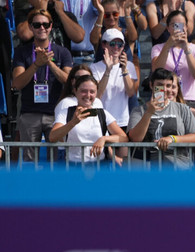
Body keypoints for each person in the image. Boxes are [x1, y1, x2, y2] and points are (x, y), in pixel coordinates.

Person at [12, 9, 74, 162]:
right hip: (30, 113)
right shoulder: (22, 52)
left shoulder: (62, 52)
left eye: (45, 24)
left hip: (56, 114)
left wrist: (49, 64)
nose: (42, 28)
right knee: (29, 161)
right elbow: (17, 83)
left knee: (56, 161)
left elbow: (70, 81)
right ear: (31, 27)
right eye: (37, 25)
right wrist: (36, 65)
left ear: (51, 26)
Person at [127, 67, 195, 166]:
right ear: (151, 85)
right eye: (160, 85)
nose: (165, 89)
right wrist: (149, 113)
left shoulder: (182, 109)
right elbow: (135, 138)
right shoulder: (138, 111)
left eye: (169, 86)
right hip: (148, 169)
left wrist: (172, 139)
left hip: (178, 167)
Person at [49, 74, 128, 163]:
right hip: (74, 167)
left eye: (92, 92)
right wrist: (73, 122)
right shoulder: (66, 112)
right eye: (84, 91)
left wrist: (104, 139)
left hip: (99, 167)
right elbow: (52, 137)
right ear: (75, 91)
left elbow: (123, 137)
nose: (88, 95)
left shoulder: (103, 114)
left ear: (96, 92)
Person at [151, 9, 195, 114]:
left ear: (186, 27)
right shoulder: (157, 48)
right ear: (168, 28)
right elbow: (156, 70)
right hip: (163, 96)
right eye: (175, 25)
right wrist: (168, 45)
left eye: (182, 25)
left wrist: (186, 49)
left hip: (189, 97)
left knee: (192, 130)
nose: (179, 28)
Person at [92, 29, 138, 134]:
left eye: (120, 44)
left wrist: (124, 69)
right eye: (112, 44)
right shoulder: (95, 67)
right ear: (104, 45)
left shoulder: (129, 66)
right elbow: (98, 94)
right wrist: (108, 70)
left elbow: (131, 93)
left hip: (122, 120)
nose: (116, 47)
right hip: (102, 120)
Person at [14, 0, 85, 52]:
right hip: (34, 62)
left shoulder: (66, 15)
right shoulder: (25, 14)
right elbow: (25, 35)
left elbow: (79, 37)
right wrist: (41, 10)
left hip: (60, 63)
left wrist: (61, 12)